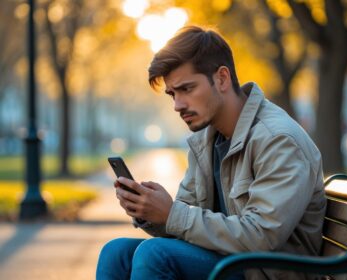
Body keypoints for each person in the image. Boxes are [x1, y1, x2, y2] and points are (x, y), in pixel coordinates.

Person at [96, 25, 326, 280]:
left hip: (264, 273)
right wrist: (150, 212)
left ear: (222, 78)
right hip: (230, 263)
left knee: (155, 255)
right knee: (115, 252)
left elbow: (262, 235)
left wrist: (172, 214)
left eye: (187, 89)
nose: (177, 105)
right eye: (172, 94)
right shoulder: (206, 141)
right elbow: (184, 221)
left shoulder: (278, 139)